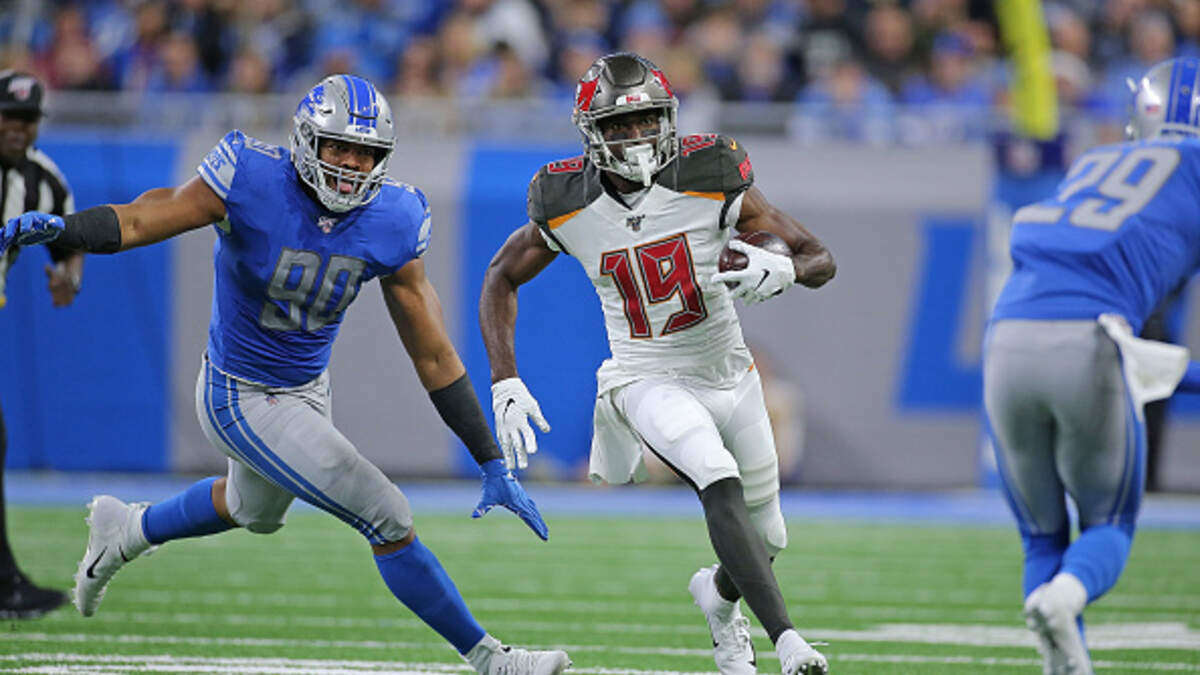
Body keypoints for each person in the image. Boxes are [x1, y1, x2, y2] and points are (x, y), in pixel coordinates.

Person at [0, 74, 570, 675]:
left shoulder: (396, 217)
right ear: (305, 140)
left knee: (255, 511)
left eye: (366, 153)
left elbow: (432, 354)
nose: (351, 165)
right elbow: (147, 217)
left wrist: (489, 459)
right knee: (387, 513)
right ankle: (491, 659)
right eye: (339, 147)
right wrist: (68, 229)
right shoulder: (249, 176)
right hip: (237, 392)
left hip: (305, 388)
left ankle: (128, 529)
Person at [478, 53, 836, 675]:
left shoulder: (710, 171)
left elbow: (819, 258)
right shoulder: (564, 199)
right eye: (619, 125)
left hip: (731, 372)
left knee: (769, 537)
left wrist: (784, 268)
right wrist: (505, 378)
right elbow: (500, 277)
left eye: (646, 120)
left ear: (668, 119)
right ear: (592, 134)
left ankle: (718, 598)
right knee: (714, 473)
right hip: (645, 375)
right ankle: (788, 642)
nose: (636, 135)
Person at [984, 56, 1200, 675]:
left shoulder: (1096, 161)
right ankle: (1068, 595)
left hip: (1006, 336)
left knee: (1042, 536)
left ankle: (1065, 661)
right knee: (1109, 523)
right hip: (1090, 338)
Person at [0, 70, 80, 619]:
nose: (18, 128)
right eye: (9, 115)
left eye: (28, 119)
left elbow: (71, 237)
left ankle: (4, 582)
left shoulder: (42, 179)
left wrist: (69, 276)